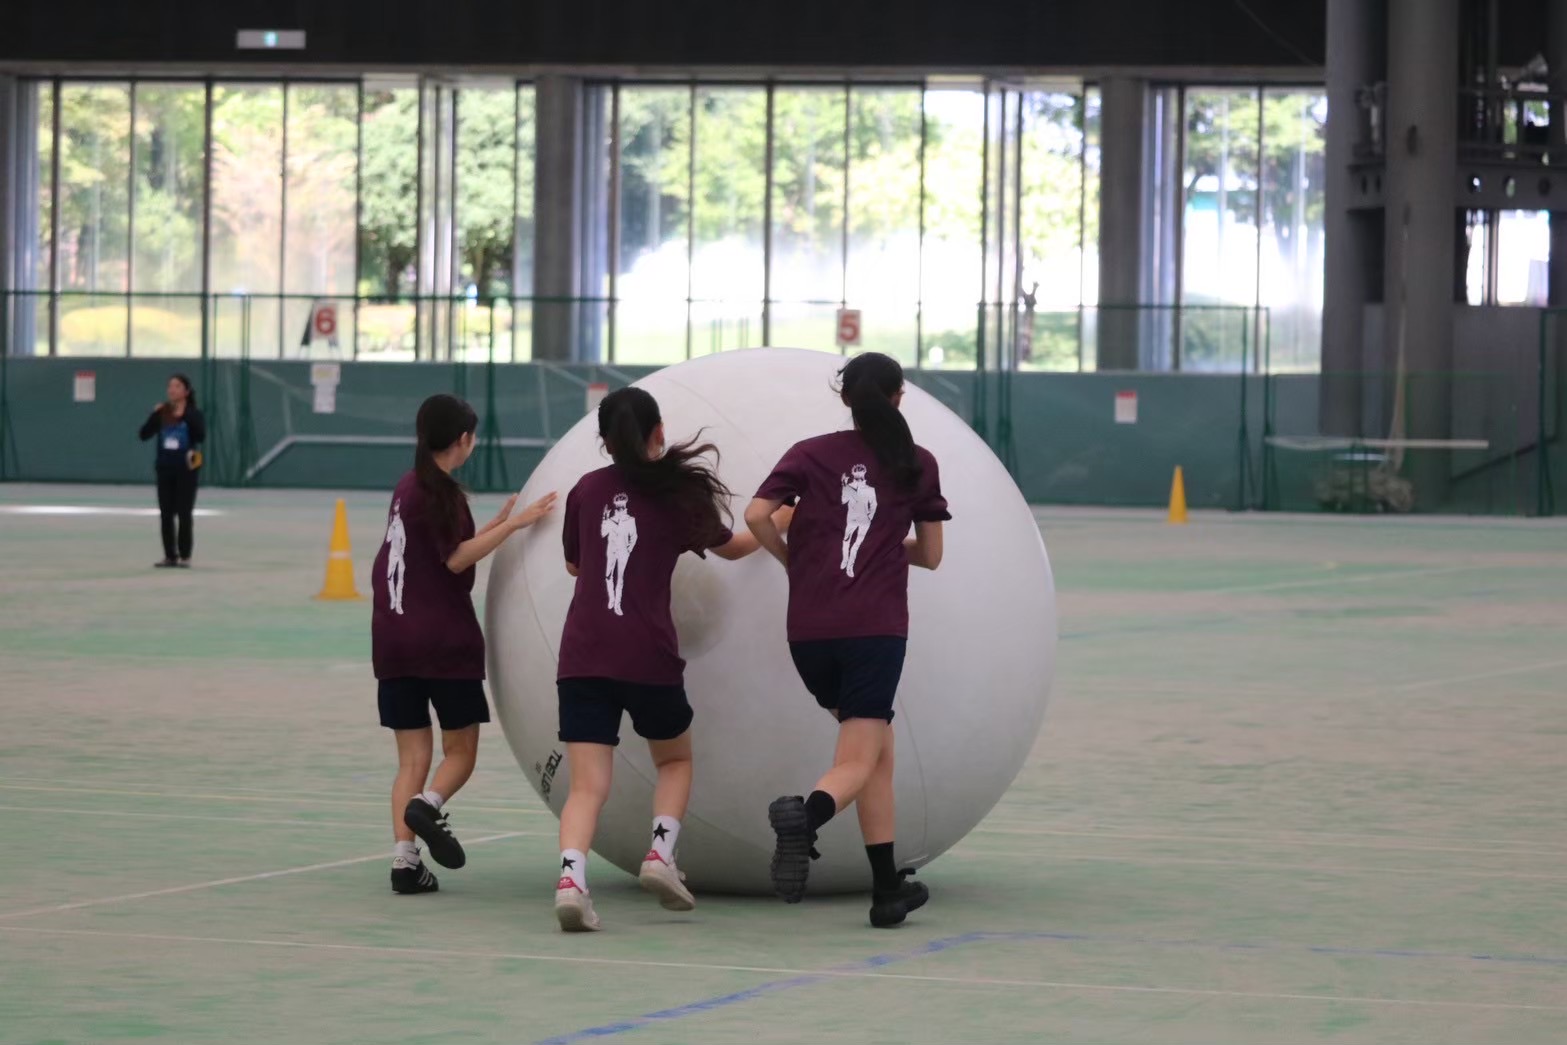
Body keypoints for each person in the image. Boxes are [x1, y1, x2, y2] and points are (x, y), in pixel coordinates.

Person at [552, 386, 789, 932]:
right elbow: (733, 548)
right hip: (648, 655)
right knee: (675, 761)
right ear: (658, 432)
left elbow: (575, 565)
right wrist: (780, 523)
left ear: (605, 440)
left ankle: (570, 882)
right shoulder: (678, 494)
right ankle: (660, 854)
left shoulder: (587, 490)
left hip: (582, 654)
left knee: (587, 786)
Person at [744, 351, 950, 929]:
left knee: (876, 752)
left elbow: (756, 515)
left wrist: (793, 560)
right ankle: (805, 818)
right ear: (899, 397)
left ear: (844, 398)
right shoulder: (917, 461)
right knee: (859, 758)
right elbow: (932, 556)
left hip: (809, 634)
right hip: (873, 632)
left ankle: (887, 891)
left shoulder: (808, 453)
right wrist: (885, 545)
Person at [372, 393, 557, 895]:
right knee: (461, 752)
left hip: (392, 641)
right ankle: (429, 805)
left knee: (411, 759)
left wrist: (496, 523)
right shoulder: (444, 495)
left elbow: (440, 551)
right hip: (442, 643)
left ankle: (405, 861)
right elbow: (454, 560)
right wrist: (516, 524)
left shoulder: (408, 487)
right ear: (463, 440)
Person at [137, 374, 206, 568]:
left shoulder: (194, 413)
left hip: (187, 469)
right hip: (165, 468)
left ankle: (185, 556)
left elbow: (201, 436)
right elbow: (143, 434)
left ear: (186, 391)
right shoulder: (162, 412)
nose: (172, 390)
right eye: (170, 386)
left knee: (184, 512)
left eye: (177, 386)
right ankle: (169, 555)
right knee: (166, 513)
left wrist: (185, 416)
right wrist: (155, 414)